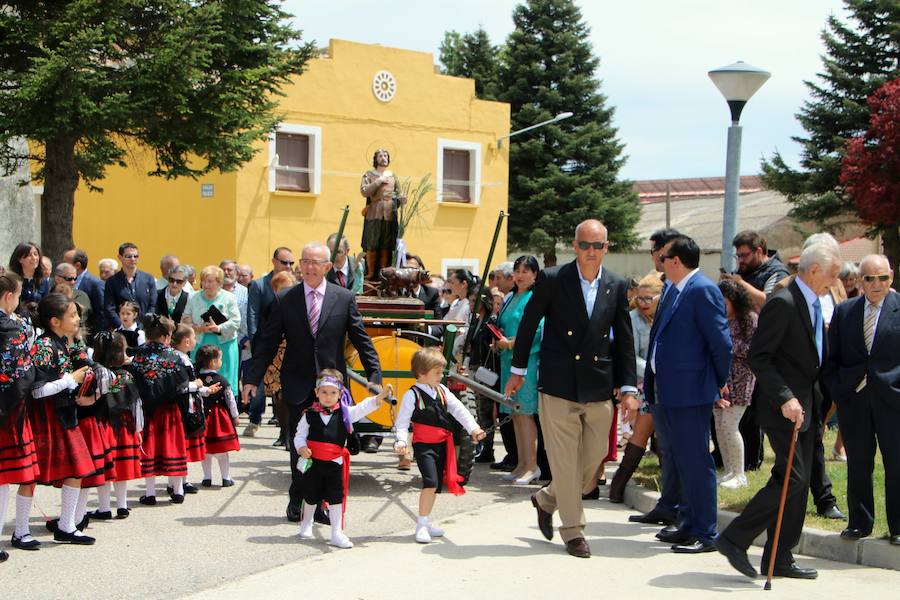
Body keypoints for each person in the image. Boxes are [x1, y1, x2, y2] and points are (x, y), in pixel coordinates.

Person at [504, 220, 638, 558]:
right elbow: (529, 323)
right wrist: (518, 371)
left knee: (593, 461)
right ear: (575, 246)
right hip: (558, 383)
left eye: (597, 245)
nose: (591, 252)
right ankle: (573, 530)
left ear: (606, 247)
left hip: (598, 384)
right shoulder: (553, 279)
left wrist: (628, 387)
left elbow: (624, 339)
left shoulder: (616, 284)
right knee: (565, 464)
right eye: (584, 245)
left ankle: (546, 498)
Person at [716, 242, 841, 580]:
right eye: (832, 275)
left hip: (807, 405)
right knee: (793, 478)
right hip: (781, 407)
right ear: (814, 271)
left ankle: (780, 556)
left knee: (797, 481)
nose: (835, 282)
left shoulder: (812, 302)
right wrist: (785, 397)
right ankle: (734, 538)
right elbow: (759, 357)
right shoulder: (784, 303)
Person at [243, 242, 382, 523]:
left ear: (327, 267)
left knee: (326, 446)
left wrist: (374, 376)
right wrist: (252, 379)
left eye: (314, 262)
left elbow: (361, 339)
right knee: (300, 444)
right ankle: (298, 497)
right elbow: (268, 341)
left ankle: (319, 504)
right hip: (297, 382)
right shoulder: (286, 298)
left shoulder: (343, 298)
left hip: (330, 387)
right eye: (304, 261)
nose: (308, 267)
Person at [643, 235, 732, 553]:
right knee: (682, 461)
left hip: (691, 391)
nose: (659, 262)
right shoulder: (675, 289)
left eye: (663, 257)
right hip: (670, 390)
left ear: (676, 261)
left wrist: (716, 381)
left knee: (696, 462)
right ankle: (688, 523)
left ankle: (706, 532)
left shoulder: (702, 289)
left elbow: (721, 342)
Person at [825, 254, 900, 546]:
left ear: (891, 277)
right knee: (858, 463)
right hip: (854, 399)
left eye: (883, 277)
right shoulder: (845, 311)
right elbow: (832, 357)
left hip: (892, 399)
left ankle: (897, 527)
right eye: (870, 278)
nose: (877, 284)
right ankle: (859, 523)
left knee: (896, 463)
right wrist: (838, 390)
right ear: (860, 281)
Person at [394, 347, 485, 543]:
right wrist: (401, 441)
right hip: (424, 445)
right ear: (421, 373)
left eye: (441, 372)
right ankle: (421, 525)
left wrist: (474, 429)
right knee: (430, 482)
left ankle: (426, 522)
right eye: (437, 373)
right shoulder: (412, 395)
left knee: (435, 486)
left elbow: (459, 410)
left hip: (442, 444)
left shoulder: (442, 391)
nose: (441, 376)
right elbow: (402, 422)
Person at [295, 370, 392, 549]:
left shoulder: (346, 413)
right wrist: (301, 447)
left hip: (335, 463)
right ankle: (306, 522)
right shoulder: (309, 414)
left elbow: (362, 407)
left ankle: (336, 533)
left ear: (340, 394)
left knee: (336, 498)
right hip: (314, 463)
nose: (328, 396)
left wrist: (379, 397)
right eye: (324, 392)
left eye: (333, 392)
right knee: (310, 495)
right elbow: (299, 435)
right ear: (316, 392)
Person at [29, 294, 96, 544]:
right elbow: (37, 390)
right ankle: (22, 530)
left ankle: (67, 526)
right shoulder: (45, 346)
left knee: (77, 471)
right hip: (50, 418)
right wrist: (70, 380)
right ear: (55, 321)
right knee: (28, 478)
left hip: (65, 414)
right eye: (72, 315)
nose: (78, 319)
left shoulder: (65, 343)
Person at [608, 272, 663, 503]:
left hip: (665, 384)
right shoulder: (632, 319)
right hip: (643, 384)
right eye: (639, 298)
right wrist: (655, 369)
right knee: (642, 432)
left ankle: (619, 486)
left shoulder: (666, 317)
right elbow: (628, 355)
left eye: (648, 298)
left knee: (658, 434)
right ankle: (617, 487)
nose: (643, 303)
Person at [130, 314, 190, 506]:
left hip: (147, 410)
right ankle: (178, 490)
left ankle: (150, 493)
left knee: (149, 447)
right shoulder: (176, 356)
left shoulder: (138, 356)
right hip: (170, 410)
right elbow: (183, 385)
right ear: (166, 336)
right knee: (174, 445)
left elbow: (134, 384)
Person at [0, 272, 40, 557]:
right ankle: (19, 531)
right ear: (8, 297)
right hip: (9, 412)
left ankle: (20, 530)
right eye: (18, 294)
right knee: (6, 477)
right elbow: (22, 373)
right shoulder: (12, 329)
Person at [496, 255, 543, 485]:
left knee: (525, 413)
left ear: (535, 274)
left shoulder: (535, 298)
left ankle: (532, 465)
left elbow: (537, 330)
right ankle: (521, 463)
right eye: (517, 271)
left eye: (526, 271)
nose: (520, 275)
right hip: (507, 359)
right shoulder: (511, 297)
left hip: (526, 361)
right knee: (515, 414)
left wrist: (511, 343)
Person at [90, 331, 143, 518]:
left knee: (106, 468)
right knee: (121, 468)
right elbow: (136, 404)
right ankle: (122, 505)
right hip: (125, 426)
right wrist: (138, 429)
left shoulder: (97, 375)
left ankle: (104, 508)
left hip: (104, 426)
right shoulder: (126, 376)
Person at [244, 247, 295, 437]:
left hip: (287, 347)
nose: (288, 266)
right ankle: (255, 419)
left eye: (291, 263)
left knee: (283, 390)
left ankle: (284, 431)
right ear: (274, 261)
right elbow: (253, 315)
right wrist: (255, 341)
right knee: (263, 386)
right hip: (266, 343)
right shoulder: (260, 285)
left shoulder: (297, 284)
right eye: (284, 262)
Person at [715, 279, 758, 489]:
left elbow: (754, 348)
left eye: (724, 302)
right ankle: (729, 470)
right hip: (720, 379)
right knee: (719, 427)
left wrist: (729, 345)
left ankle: (739, 474)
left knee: (729, 426)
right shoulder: (718, 319)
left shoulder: (748, 318)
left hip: (741, 379)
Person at [183, 266, 241, 392]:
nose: (206, 284)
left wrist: (218, 328)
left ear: (219, 283)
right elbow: (185, 320)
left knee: (225, 382)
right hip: (200, 344)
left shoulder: (229, 298)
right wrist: (198, 328)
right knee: (200, 380)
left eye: (210, 281)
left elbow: (236, 321)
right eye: (203, 281)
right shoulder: (193, 297)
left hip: (224, 345)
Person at [195, 344, 240, 487]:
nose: (221, 361)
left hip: (203, 417)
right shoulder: (222, 379)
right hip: (220, 419)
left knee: (206, 451)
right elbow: (230, 399)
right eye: (220, 359)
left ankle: (207, 477)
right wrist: (235, 415)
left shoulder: (197, 379)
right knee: (222, 451)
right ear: (213, 362)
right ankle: (226, 478)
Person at [359, 149, 407, 283]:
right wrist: (378, 181)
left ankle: (383, 272)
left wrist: (401, 199)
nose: (383, 158)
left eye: (385, 155)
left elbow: (398, 194)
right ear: (376, 159)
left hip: (390, 213)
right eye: (380, 156)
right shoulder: (369, 174)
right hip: (374, 212)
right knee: (372, 242)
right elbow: (364, 192)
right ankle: (371, 272)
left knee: (387, 244)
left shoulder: (393, 176)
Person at [260, 272, 297, 447]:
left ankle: (292, 434)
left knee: (292, 396)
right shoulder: (270, 306)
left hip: (293, 354)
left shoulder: (299, 305)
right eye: (281, 289)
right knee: (279, 397)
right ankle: (284, 433)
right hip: (275, 356)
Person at [103, 243, 157, 328]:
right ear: (120, 257)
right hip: (121, 330)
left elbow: (153, 305)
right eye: (128, 256)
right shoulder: (112, 282)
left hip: (145, 330)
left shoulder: (148, 279)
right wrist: (123, 327)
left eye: (135, 256)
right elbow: (109, 309)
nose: (133, 259)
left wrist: (142, 327)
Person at [64, 248, 106, 334]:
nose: (63, 266)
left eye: (66, 263)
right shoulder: (65, 281)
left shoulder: (95, 284)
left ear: (77, 265)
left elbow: (102, 313)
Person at [8, 242, 49, 307]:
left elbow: (46, 305)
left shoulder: (43, 281)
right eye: (29, 255)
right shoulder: (11, 280)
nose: (34, 258)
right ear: (20, 259)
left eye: (35, 254)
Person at [53, 263, 92, 328]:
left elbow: (80, 319)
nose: (73, 282)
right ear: (57, 279)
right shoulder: (48, 293)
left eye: (75, 278)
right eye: (69, 279)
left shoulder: (81, 296)